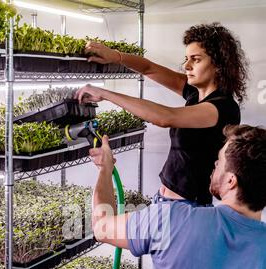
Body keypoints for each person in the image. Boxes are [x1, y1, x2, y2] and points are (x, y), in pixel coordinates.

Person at [90, 124, 266, 269]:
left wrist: (105, 169)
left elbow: (101, 226)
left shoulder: (171, 218)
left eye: (220, 161)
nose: (214, 164)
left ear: (231, 181)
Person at [76, 23, 249, 205]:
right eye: (186, 58)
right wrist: (115, 56)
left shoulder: (223, 107)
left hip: (189, 208)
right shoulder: (195, 93)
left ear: (218, 65)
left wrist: (106, 94)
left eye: (195, 59)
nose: (186, 66)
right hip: (166, 199)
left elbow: (166, 117)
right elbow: (149, 68)